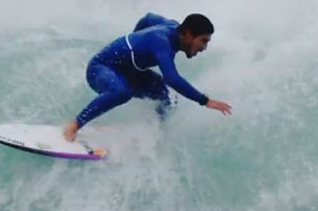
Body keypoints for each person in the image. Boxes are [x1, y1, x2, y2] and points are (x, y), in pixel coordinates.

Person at [62, 12, 232, 142]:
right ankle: (75, 124)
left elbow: (148, 17)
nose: (204, 47)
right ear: (188, 34)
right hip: (101, 69)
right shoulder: (161, 42)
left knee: (168, 97)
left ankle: (149, 132)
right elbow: (172, 78)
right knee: (122, 91)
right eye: (203, 41)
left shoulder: (172, 26)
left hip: (130, 72)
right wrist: (205, 101)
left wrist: (135, 38)